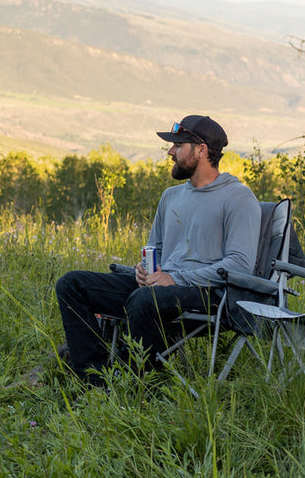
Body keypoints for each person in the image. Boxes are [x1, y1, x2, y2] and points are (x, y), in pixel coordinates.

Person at [54, 114, 260, 385]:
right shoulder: (170, 197)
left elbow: (239, 265)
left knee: (143, 301)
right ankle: (96, 380)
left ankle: (136, 386)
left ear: (201, 150)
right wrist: (144, 269)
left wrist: (176, 279)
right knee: (71, 284)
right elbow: (155, 249)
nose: (170, 151)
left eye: (178, 146)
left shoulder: (238, 198)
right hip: (159, 287)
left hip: (208, 294)